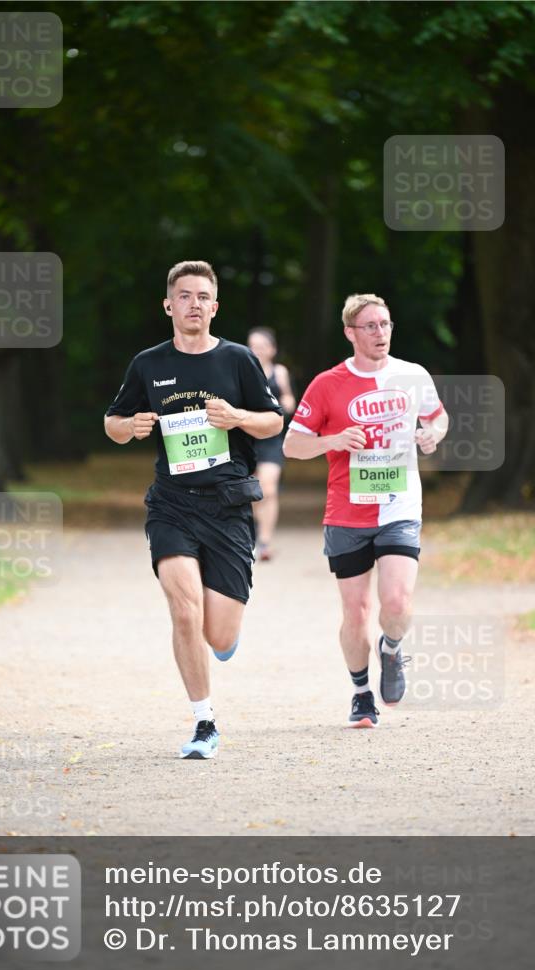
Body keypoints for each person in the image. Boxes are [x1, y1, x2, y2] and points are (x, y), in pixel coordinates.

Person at [104, 261, 283, 759]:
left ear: (215, 306)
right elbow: (112, 423)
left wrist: (239, 417)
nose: (194, 304)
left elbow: (273, 422)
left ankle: (223, 640)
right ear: (169, 305)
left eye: (203, 296)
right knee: (185, 612)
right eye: (185, 296)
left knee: (217, 632)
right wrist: (131, 427)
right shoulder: (148, 364)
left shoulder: (238, 360)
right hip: (172, 505)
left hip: (227, 507)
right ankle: (204, 723)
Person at [283, 293, 448, 728]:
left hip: (400, 506)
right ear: (350, 333)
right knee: (355, 611)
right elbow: (291, 444)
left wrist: (431, 434)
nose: (380, 333)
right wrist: (331, 441)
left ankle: (391, 648)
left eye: (386, 324)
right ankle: (361, 694)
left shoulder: (412, 375)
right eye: (370, 326)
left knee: (396, 601)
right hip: (346, 512)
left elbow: (438, 417)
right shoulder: (326, 384)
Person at [246, 327, 295, 560]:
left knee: (269, 489)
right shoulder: (243, 369)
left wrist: (285, 405)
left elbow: (288, 398)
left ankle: (264, 542)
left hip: (272, 438)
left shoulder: (279, 371)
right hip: (247, 437)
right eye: (252, 346)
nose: (257, 350)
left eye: (261, 346)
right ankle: (254, 535)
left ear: (272, 350)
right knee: (252, 491)